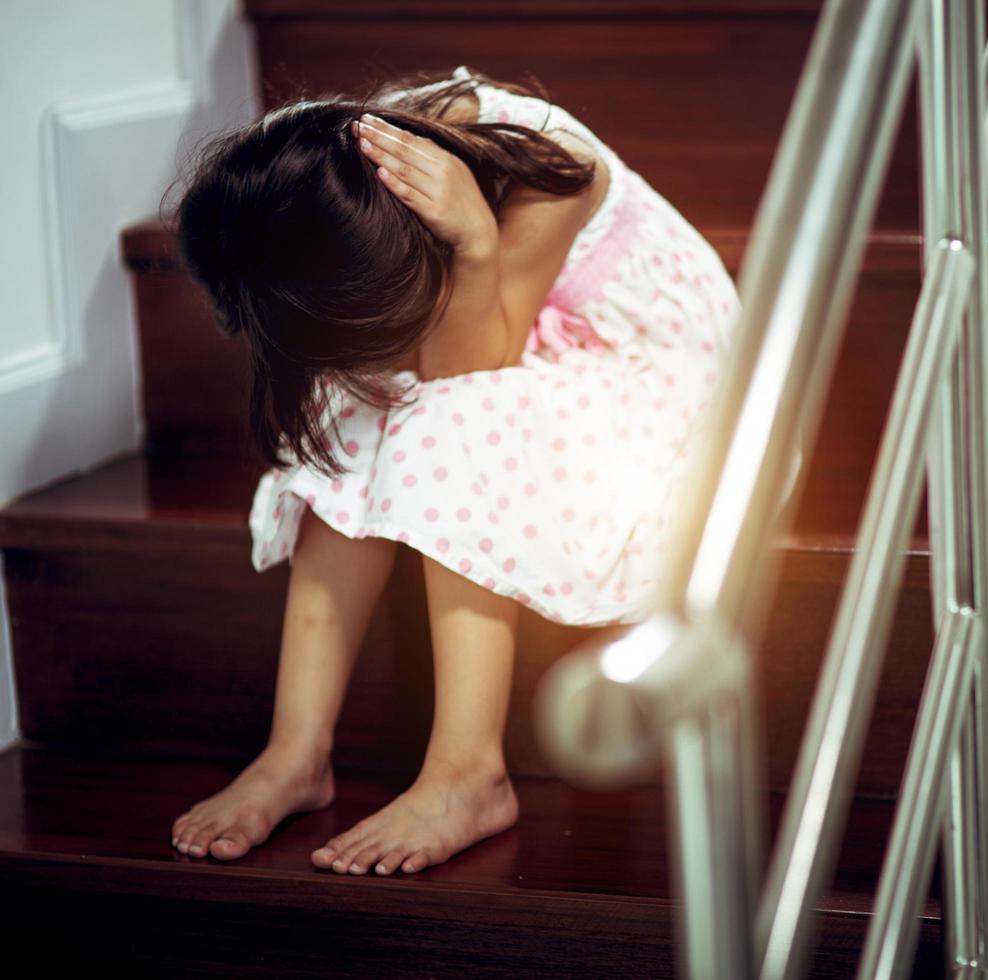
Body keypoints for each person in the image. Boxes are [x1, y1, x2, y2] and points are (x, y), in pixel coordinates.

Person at [163, 65, 739, 876]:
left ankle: (469, 772)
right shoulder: (333, 170)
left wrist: (473, 238)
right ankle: (296, 752)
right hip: (504, 333)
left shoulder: (544, 168)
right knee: (355, 409)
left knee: (450, 419)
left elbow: (477, 367)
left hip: (648, 361)